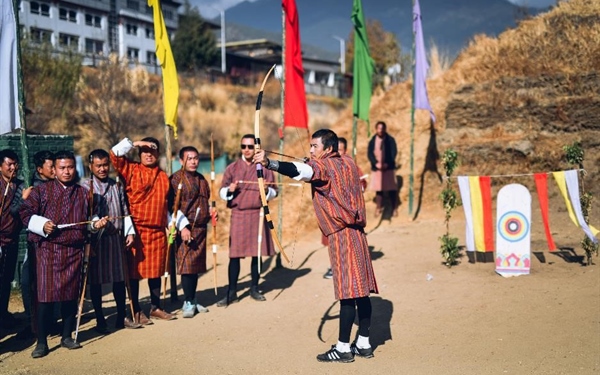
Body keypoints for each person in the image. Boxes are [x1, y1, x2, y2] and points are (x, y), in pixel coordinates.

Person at [254, 129, 378, 363]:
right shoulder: (348, 162)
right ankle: (364, 342)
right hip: (358, 235)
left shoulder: (324, 168)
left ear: (328, 149)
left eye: (315, 147)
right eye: (310, 147)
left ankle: (343, 348)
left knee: (348, 294)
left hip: (343, 236)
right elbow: (315, 167)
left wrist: (270, 163)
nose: (311, 150)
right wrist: (311, 161)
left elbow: (305, 171)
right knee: (361, 290)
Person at [20, 150, 109, 358]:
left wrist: (96, 224)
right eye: (62, 168)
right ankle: (41, 342)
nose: (67, 172)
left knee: (70, 296)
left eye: (70, 167)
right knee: (45, 297)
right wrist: (43, 224)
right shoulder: (41, 191)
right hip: (48, 251)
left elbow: (90, 219)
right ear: (54, 169)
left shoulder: (83, 192)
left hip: (74, 251)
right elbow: (25, 213)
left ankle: (67, 336)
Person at [110, 137, 188, 324]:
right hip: (135, 232)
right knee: (134, 273)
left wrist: (172, 224)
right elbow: (114, 155)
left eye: (152, 151)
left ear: (158, 154)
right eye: (144, 151)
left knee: (156, 272)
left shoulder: (163, 177)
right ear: (139, 153)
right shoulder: (131, 169)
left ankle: (156, 307)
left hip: (158, 232)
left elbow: (165, 207)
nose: (148, 154)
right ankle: (135, 309)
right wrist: (135, 142)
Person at [82, 149, 141, 332]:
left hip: (116, 240)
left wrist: (129, 232)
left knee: (119, 279)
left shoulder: (116, 185)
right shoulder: (85, 186)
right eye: (98, 166)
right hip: (97, 241)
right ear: (91, 166)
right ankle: (100, 318)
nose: (102, 169)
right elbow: (84, 214)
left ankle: (121, 316)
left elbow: (124, 210)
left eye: (105, 165)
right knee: (97, 281)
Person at [217, 134, 277, 306]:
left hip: (258, 214)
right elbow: (222, 193)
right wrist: (230, 189)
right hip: (239, 213)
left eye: (251, 147)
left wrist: (266, 190)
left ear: (256, 148)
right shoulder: (233, 168)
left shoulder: (264, 168)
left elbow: (274, 192)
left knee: (256, 254)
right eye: (244, 146)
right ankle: (232, 291)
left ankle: (254, 288)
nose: (247, 150)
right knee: (234, 256)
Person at [169, 146, 214, 318]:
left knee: (195, 267)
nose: (193, 161)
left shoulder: (202, 179)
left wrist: (210, 211)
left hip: (201, 228)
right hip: (186, 229)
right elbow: (172, 207)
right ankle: (187, 301)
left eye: (196, 158)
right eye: (189, 158)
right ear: (181, 161)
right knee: (187, 266)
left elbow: (205, 201)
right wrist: (183, 227)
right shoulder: (175, 179)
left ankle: (193, 299)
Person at [19, 151, 56, 337]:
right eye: (51, 167)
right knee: (29, 282)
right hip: (35, 243)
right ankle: (32, 321)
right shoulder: (32, 188)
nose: (55, 170)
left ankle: (52, 321)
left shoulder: (60, 186)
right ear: (40, 169)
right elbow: (20, 214)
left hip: (56, 243)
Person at [322, 137, 367, 280]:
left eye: (339, 150)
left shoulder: (350, 165)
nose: (337, 153)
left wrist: (353, 188)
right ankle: (333, 267)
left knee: (350, 245)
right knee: (333, 243)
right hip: (332, 214)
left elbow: (362, 182)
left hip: (348, 215)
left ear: (345, 150)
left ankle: (352, 270)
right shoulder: (326, 166)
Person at [0, 150, 25, 328]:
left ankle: (3, 313)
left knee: (6, 279)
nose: (13, 167)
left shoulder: (20, 186)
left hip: (12, 240)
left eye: (15, 164)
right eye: (9, 164)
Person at [367, 121, 399, 217]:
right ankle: (378, 207)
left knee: (391, 189)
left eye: (382, 128)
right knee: (379, 189)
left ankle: (394, 208)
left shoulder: (390, 140)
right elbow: (370, 154)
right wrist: (375, 163)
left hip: (388, 168)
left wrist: (387, 164)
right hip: (377, 168)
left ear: (385, 129)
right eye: (379, 128)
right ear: (376, 129)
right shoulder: (372, 141)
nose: (380, 130)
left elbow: (393, 152)